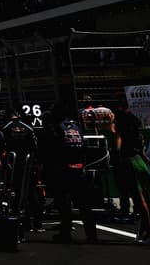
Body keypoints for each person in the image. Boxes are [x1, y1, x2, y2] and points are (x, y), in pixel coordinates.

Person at [39, 102, 97, 244]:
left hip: (63, 170)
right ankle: (92, 235)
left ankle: (65, 233)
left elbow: (50, 149)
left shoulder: (55, 128)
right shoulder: (76, 126)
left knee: (64, 204)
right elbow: (83, 146)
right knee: (84, 204)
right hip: (79, 168)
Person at [112, 99, 150, 244]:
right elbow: (141, 144)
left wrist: (117, 154)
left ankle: (149, 231)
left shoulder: (121, 125)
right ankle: (144, 230)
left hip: (129, 162)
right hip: (138, 160)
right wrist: (146, 159)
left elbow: (118, 142)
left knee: (139, 200)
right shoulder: (135, 123)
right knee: (141, 198)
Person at [1, 108, 41, 235]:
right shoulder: (28, 128)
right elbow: (35, 147)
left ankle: (20, 221)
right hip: (28, 165)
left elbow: (3, 147)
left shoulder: (6, 128)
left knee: (15, 193)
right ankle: (37, 222)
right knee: (31, 193)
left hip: (13, 166)